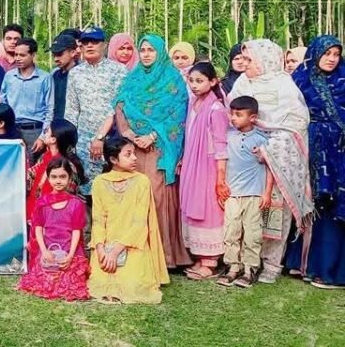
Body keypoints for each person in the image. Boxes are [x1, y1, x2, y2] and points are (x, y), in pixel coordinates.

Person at [227, 39, 312, 284]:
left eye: (250, 59)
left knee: (275, 210)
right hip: (246, 161)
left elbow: (296, 123)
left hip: (275, 157)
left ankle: (273, 263)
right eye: (243, 59)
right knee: (247, 212)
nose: (245, 64)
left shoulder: (284, 85)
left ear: (266, 61)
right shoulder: (242, 83)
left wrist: (269, 148)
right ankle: (246, 261)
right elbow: (231, 116)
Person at [114, 34, 191, 269]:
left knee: (157, 198)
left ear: (160, 52)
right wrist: (129, 134)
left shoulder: (173, 79)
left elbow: (178, 114)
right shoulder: (132, 78)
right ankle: (136, 252)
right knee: (134, 197)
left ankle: (164, 256)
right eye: (143, 50)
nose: (146, 54)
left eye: (151, 50)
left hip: (160, 148)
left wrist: (153, 136)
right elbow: (120, 105)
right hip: (133, 149)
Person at [290, 35, 345, 289]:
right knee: (313, 202)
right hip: (310, 149)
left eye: (336, 54)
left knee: (335, 206)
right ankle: (304, 263)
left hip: (340, 153)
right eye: (327, 54)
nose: (332, 59)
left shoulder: (343, 79)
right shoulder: (300, 79)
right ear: (315, 54)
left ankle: (332, 270)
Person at [88, 137, 169, 304]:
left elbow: (140, 222)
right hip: (106, 245)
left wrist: (116, 251)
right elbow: (98, 220)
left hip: (133, 244)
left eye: (134, 153)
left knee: (133, 286)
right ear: (113, 159)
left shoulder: (142, 181)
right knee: (99, 284)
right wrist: (101, 250)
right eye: (128, 154)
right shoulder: (99, 182)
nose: (134, 158)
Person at [216, 96, 273, 288]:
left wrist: (267, 193)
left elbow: (270, 168)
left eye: (238, 114)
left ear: (252, 117)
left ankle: (250, 269)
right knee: (231, 232)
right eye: (232, 114)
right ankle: (233, 267)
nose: (233, 118)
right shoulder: (227, 136)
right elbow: (222, 161)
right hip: (232, 194)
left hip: (254, 194)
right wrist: (221, 185)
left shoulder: (262, 140)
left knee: (252, 234)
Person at [63, 27, 128, 195]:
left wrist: (100, 137)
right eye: (85, 42)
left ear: (104, 45)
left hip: (111, 138)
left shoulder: (118, 70)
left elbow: (117, 107)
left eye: (94, 42)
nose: (90, 46)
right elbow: (72, 109)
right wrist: (69, 141)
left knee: (112, 189)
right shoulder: (75, 73)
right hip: (82, 142)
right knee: (85, 190)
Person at [179, 62, 228, 280]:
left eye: (200, 81)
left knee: (208, 208)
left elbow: (221, 144)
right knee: (192, 205)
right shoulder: (193, 103)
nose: (194, 85)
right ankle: (200, 257)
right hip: (192, 162)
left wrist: (220, 176)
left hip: (209, 166)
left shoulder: (216, 109)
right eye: (191, 81)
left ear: (213, 81)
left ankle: (211, 261)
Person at [17, 157, 90, 301]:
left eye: (62, 177)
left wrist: (70, 256)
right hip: (48, 251)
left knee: (70, 283)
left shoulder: (76, 203)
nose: (58, 181)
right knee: (43, 281)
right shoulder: (42, 202)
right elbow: (38, 229)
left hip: (70, 251)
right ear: (48, 178)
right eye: (54, 177)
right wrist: (44, 251)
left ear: (70, 178)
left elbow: (77, 231)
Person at [27, 119, 87, 222]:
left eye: (47, 131)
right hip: (36, 214)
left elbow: (66, 198)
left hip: (55, 219)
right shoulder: (44, 157)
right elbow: (30, 175)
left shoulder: (67, 167)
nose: (44, 134)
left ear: (53, 139)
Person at [0, 37, 52, 153]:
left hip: (35, 131)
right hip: (12, 130)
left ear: (33, 55)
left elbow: (50, 109)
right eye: (16, 54)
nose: (17, 58)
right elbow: (3, 103)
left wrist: (43, 137)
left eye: (22, 55)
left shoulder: (45, 78)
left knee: (34, 164)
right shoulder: (9, 76)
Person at [43, 33, 79, 129]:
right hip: (55, 126)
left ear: (73, 52)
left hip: (74, 127)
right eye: (54, 55)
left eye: (59, 54)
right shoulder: (53, 75)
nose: (56, 59)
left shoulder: (81, 75)